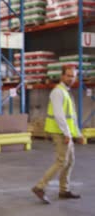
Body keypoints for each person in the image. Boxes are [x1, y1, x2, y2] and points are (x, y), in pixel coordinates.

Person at [32, 65, 85, 204]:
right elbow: (59, 115)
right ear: (62, 76)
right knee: (62, 162)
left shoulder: (66, 92)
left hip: (66, 132)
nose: (71, 78)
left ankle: (64, 190)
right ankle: (40, 187)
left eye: (73, 76)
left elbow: (71, 117)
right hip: (60, 132)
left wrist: (77, 134)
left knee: (70, 161)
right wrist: (67, 133)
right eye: (68, 75)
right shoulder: (58, 92)